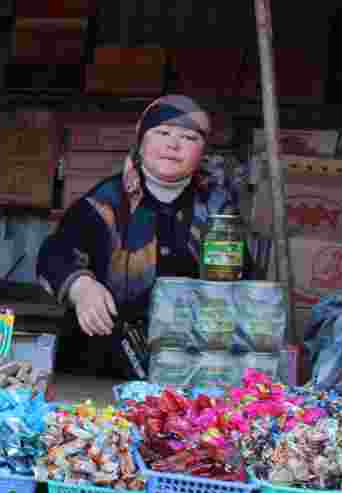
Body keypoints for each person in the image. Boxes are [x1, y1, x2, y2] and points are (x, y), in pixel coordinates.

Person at [37, 95, 245, 378]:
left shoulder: (217, 208)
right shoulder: (106, 201)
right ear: (141, 141)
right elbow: (54, 253)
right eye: (162, 133)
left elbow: (239, 280)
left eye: (188, 137)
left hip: (187, 366)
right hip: (97, 364)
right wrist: (80, 287)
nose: (173, 145)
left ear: (202, 150)